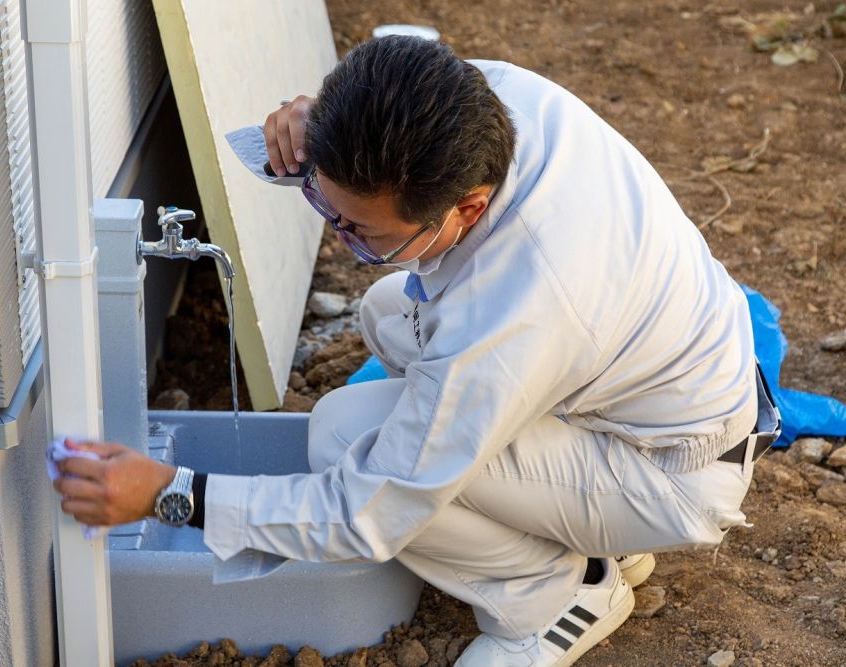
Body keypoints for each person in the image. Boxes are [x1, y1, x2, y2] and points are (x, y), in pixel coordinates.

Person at [52, 36, 779, 666]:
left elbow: (367, 510)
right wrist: (318, 134)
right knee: (383, 308)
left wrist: (174, 492)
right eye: (324, 205)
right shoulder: (478, 102)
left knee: (343, 435)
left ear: (466, 206)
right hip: (642, 377)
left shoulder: (514, 309)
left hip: (665, 469)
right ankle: (566, 528)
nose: (342, 236)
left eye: (360, 232)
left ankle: (558, 594)